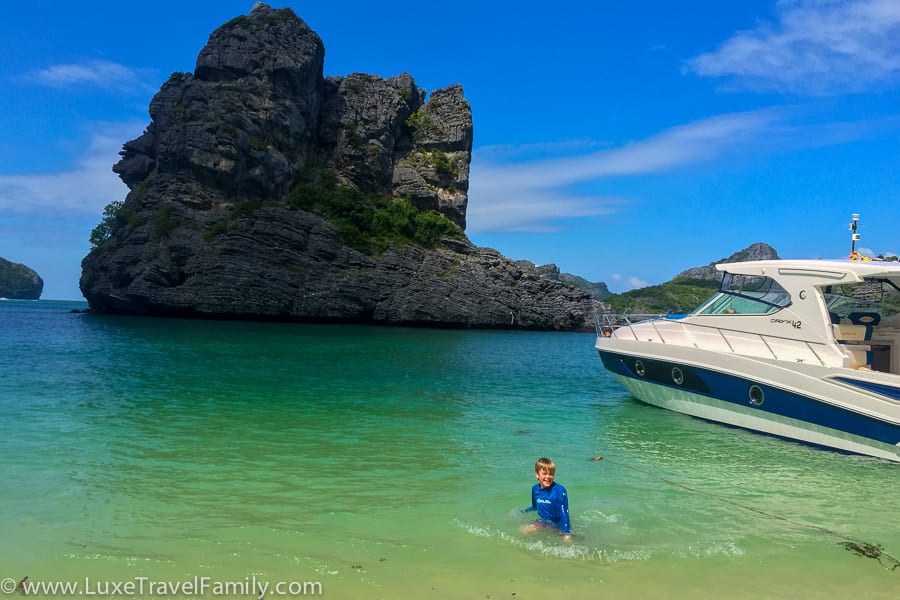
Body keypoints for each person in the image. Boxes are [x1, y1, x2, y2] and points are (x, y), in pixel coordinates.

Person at [520, 457, 572, 542]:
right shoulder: (535, 489)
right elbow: (535, 507)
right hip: (543, 521)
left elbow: (564, 514)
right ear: (537, 475)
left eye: (551, 474)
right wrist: (523, 512)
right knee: (522, 529)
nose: (548, 477)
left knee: (526, 530)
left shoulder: (560, 490)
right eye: (544, 474)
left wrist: (566, 533)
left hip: (556, 523)